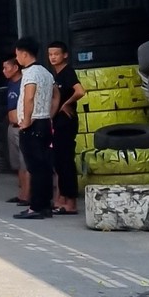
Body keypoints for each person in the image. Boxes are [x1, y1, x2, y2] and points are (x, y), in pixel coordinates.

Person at [12, 36, 57, 220]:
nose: (17, 59)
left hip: (33, 125)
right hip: (45, 122)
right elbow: (56, 95)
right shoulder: (46, 73)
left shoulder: (30, 74)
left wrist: (27, 120)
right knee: (45, 166)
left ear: (24, 53)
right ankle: (45, 205)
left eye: (17, 55)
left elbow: (29, 97)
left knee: (35, 168)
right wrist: (50, 114)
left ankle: (35, 207)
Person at [46, 40, 84, 216]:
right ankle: (61, 199)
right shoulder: (56, 74)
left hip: (66, 122)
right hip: (57, 123)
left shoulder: (68, 72)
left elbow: (80, 91)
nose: (53, 57)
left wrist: (66, 104)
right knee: (59, 162)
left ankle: (71, 203)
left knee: (66, 162)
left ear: (65, 55)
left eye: (56, 54)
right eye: (50, 54)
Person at [0, 57, 28, 205]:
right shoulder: (11, 84)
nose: (4, 71)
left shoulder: (24, 83)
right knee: (17, 163)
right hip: (12, 126)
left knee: (25, 163)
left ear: (16, 68)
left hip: (21, 126)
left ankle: (27, 194)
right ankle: (22, 193)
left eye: (6, 68)